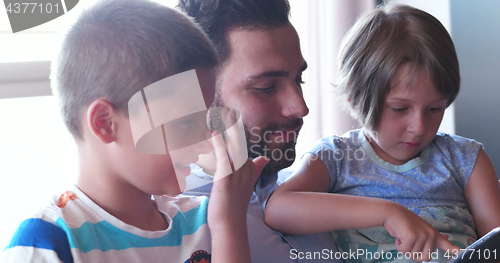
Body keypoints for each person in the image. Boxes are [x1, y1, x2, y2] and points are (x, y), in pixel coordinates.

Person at [2, 0, 269, 262]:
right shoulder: (46, 241)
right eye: (186, 123)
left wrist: (228, 226)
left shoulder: (208, 221)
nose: (206, 143)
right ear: (105, 123)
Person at [265, 4, 500, 263]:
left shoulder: (466, 158)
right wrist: (388, 213)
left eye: (435, 108)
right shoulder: (337, 157)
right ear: (355, 98)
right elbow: (278, 209)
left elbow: (494, 243)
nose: (419, 127)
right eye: (400, 108)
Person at [177, 0, 343, 262]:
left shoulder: (313, 185)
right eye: (266, 87)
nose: (300, 107)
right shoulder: (173, 226)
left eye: (298, 79)